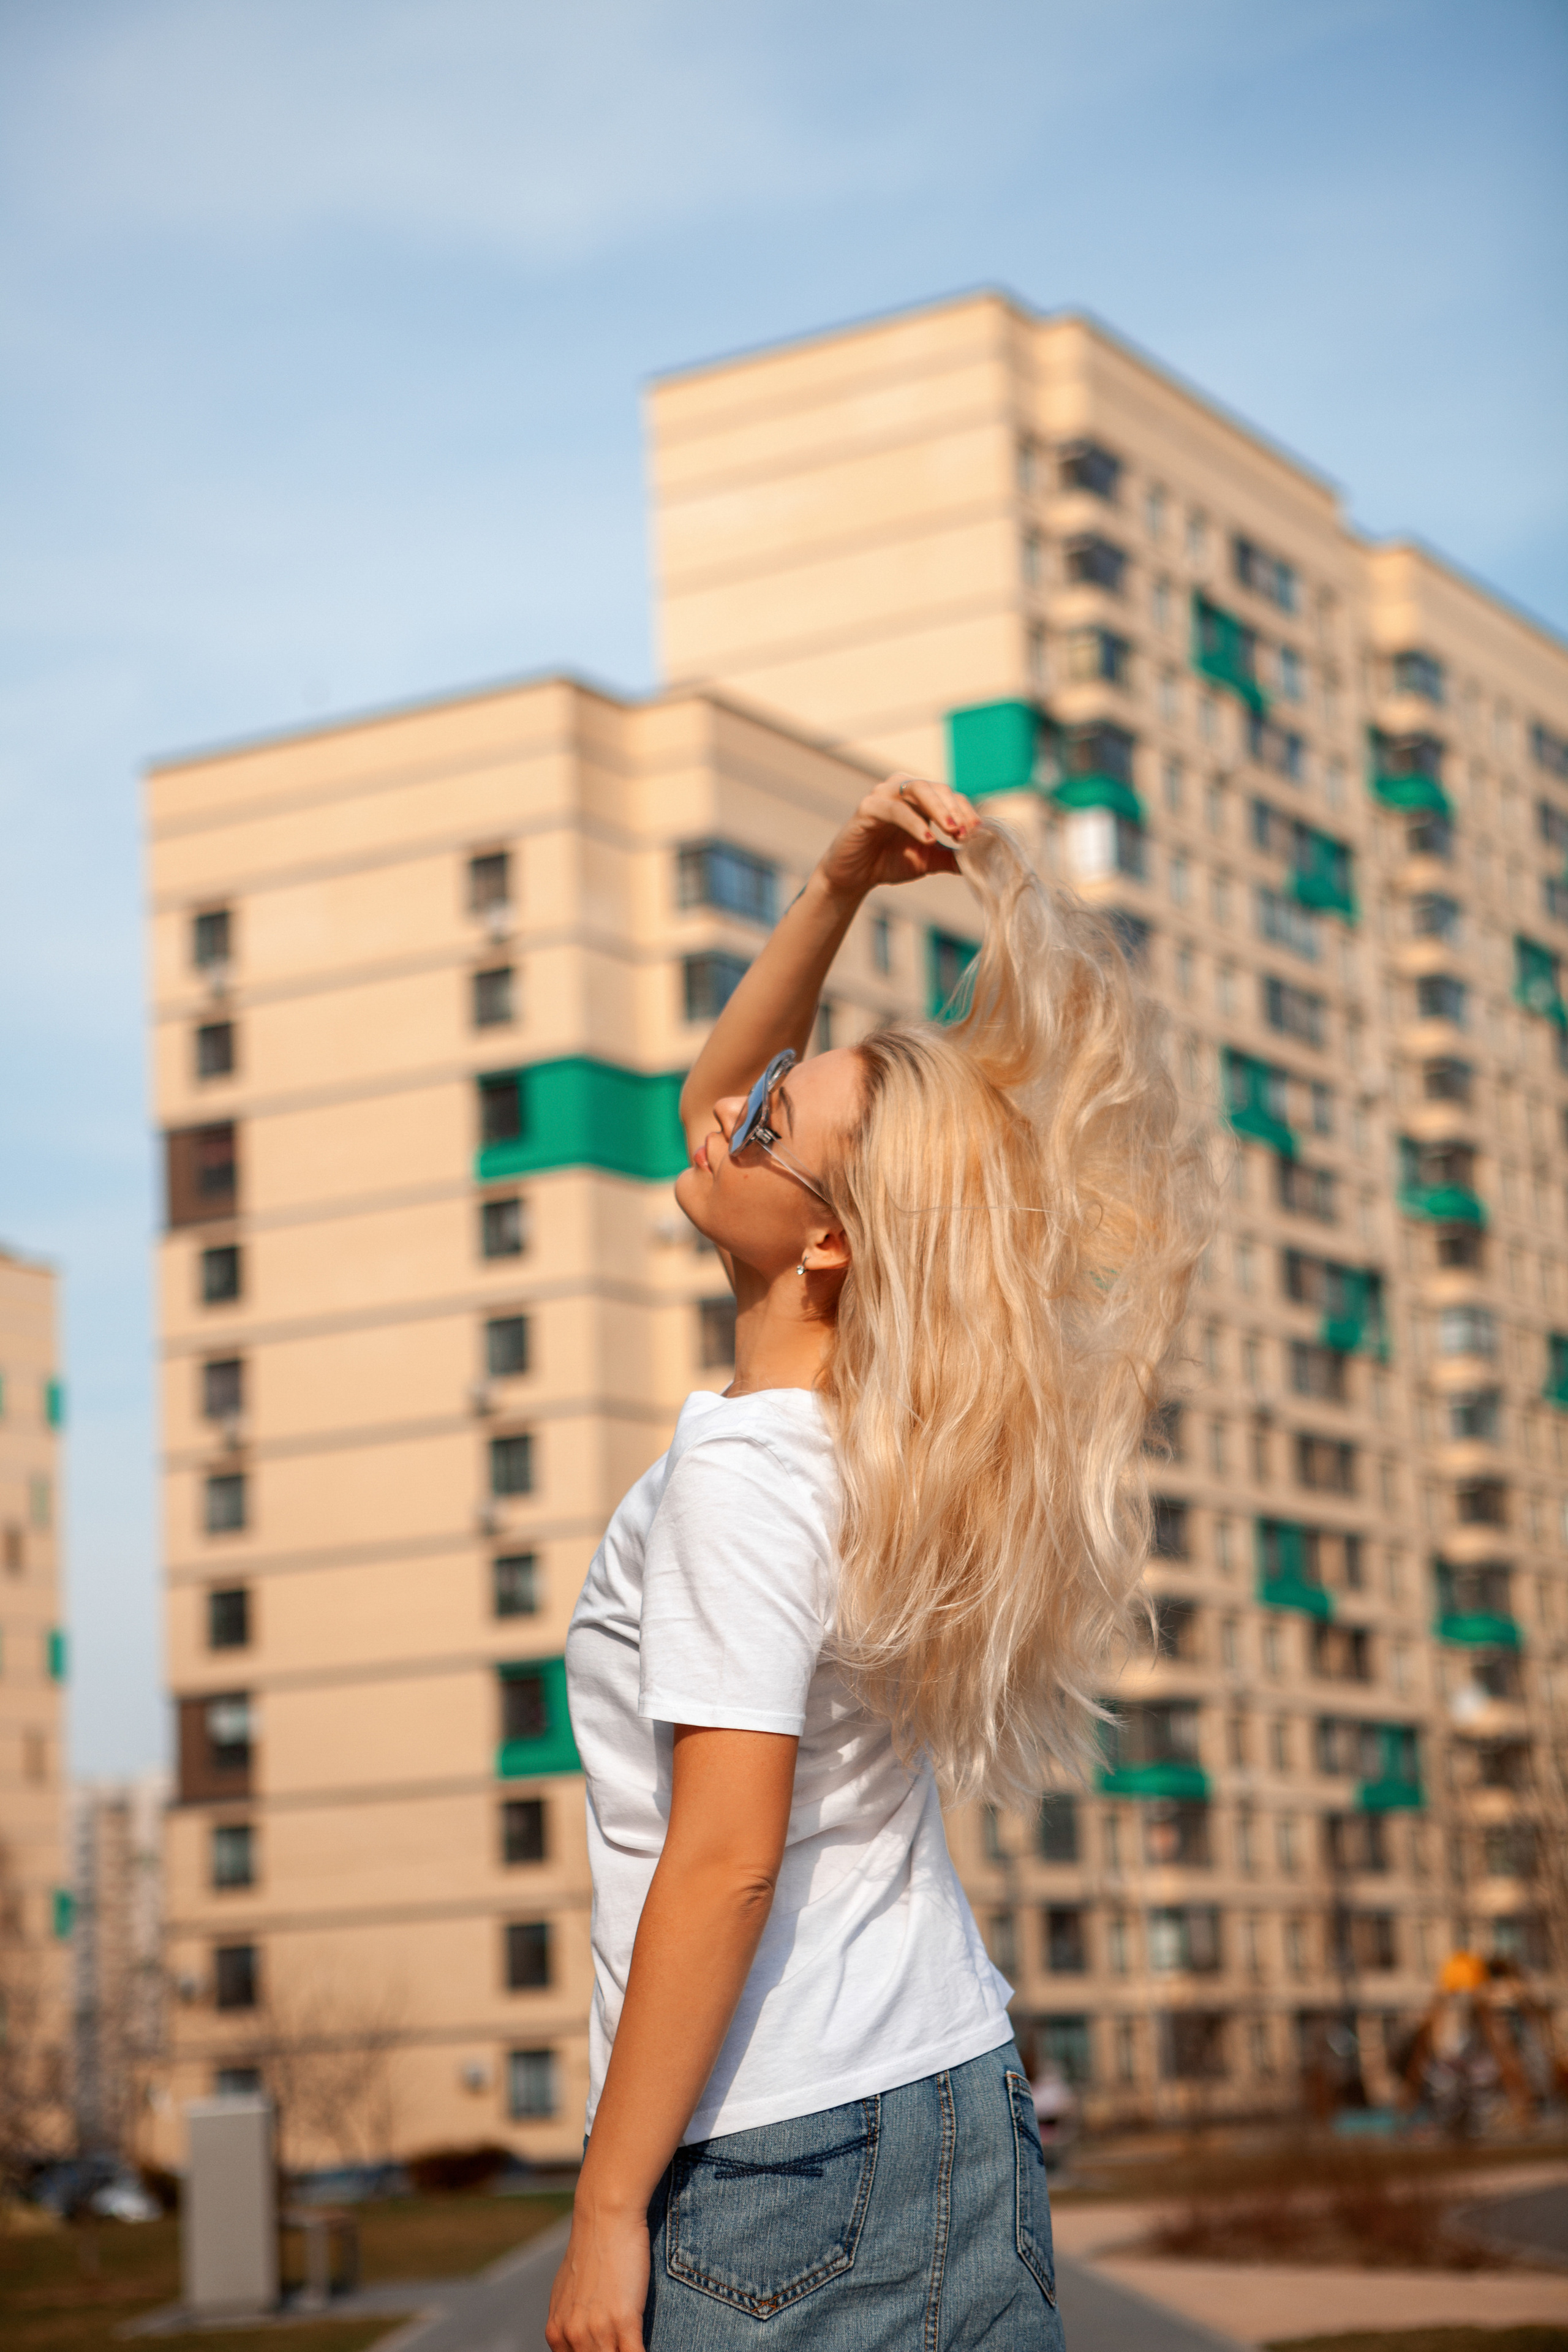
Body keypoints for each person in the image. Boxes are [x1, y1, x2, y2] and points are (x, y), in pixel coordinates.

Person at [548, 772, 1210, 2350]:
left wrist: (606, 2210)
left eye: (771, 1121)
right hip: (956, 2085)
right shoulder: (888, 1447)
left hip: (777, 2147)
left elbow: (726, 1860)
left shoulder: (743, 1481)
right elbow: (717, 1097)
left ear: (830, 1240)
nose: (730, 1113)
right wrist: (839, 881)